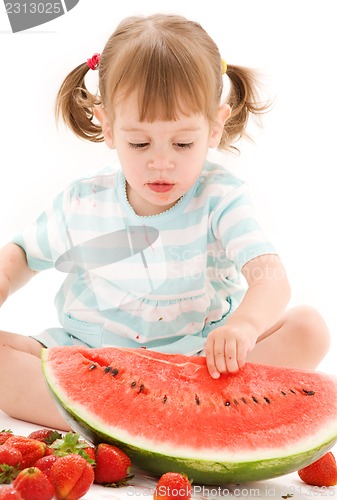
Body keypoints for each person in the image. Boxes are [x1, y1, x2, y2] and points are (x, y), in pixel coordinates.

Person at [0, 14, 330, 429]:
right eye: (139, 142)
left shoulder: (220, 198)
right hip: (88, 354)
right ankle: (134, 419)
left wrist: (244, 326)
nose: (161, 161)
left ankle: (131, 420)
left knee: (309, 328)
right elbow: (24, 254)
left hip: (196, 359)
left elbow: (271, 278)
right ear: (107, 126)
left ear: (214, 125)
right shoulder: (85, 200)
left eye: (182, 142)